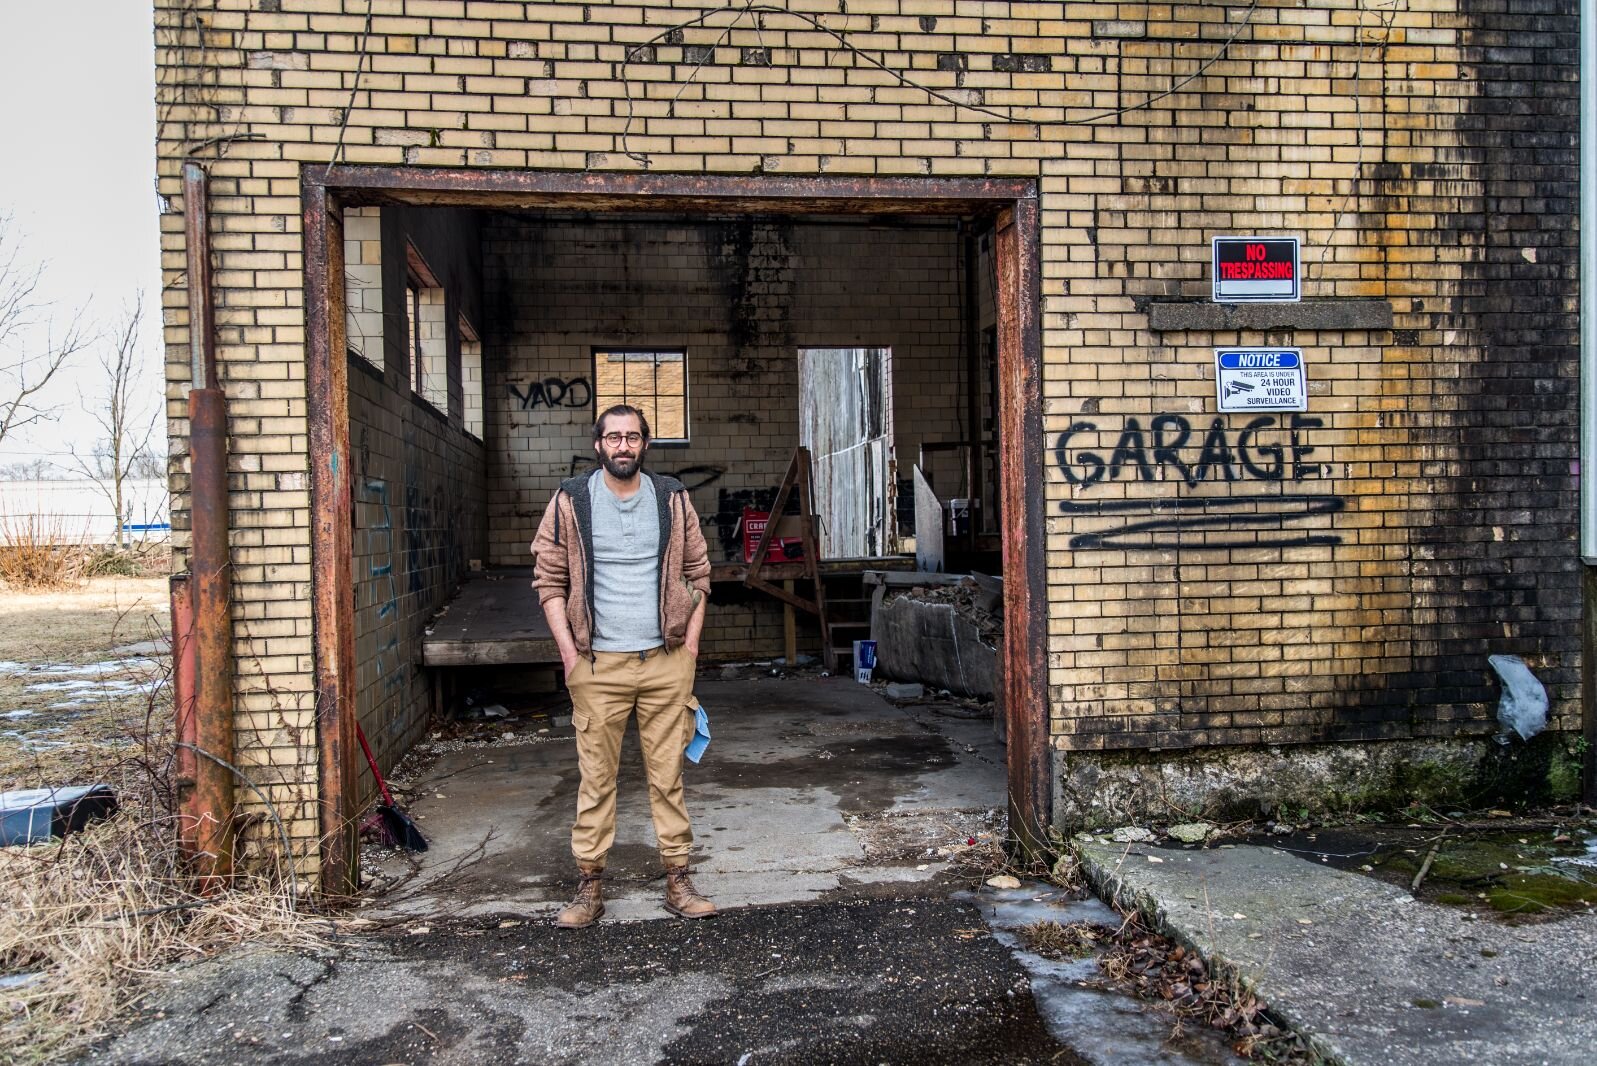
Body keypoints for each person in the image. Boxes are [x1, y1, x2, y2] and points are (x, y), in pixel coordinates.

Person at [531, 404, 716, 928]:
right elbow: (548, 580)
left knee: (669, 777)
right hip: (597, 664)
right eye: (613, 437)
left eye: (632, 437)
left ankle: (678, 881)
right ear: (598, 445)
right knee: (596, 781)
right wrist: (569, 654)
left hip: (665, 661)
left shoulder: (671, 497)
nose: (623, 446)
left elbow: (700, 574)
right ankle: (589, 887)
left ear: (645, 444)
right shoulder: (571, 500)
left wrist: (691, 648)